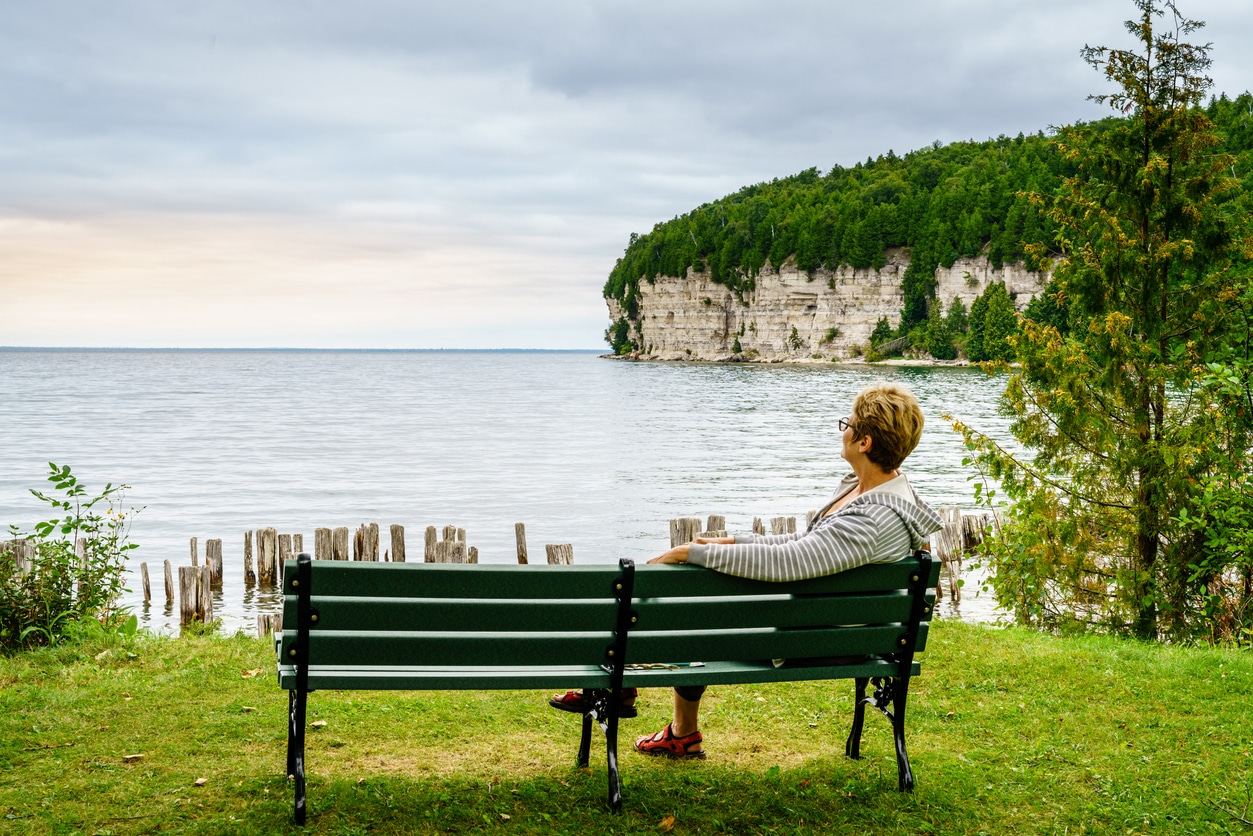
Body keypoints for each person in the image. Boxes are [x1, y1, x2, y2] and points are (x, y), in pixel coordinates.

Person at [631, 381, 943, 759]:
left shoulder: (872, 519)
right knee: (699, 601)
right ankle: (678, 730)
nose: (843, 429)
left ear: (865, 443)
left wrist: (694, 554)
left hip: (812, 640)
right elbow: (805, 545)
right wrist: (729, 544)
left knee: (696, 614)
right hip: (820, 623)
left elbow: (789, 562)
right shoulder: (873, 491)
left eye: (849, 423)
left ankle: (624, 691)